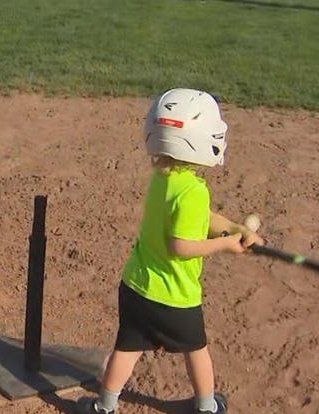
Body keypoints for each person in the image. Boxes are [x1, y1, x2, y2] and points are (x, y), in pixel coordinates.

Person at [77, 89, 264, 414]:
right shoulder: (194, 190)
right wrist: (226, 244)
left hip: (137, 287)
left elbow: (199, 220)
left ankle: (104, 407)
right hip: (176, 297)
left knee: (127, 349)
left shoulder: (164, 179)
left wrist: (234, 227)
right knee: (197, 351)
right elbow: (183, 246)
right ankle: (207, 407)